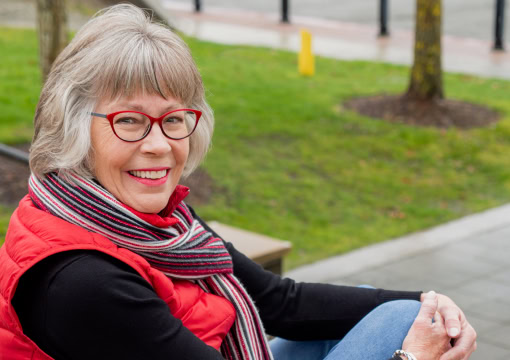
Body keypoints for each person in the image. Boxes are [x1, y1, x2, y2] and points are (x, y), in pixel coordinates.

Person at [0, 4, 476, 360]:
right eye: (129, 121)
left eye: (174, 118)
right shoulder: (82, 282)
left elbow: (278, 302)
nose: (159, 145)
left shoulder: (150, 220)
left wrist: (432, 302)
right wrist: (409, 358)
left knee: (394, 313)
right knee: (398, 330)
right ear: (76, 128)